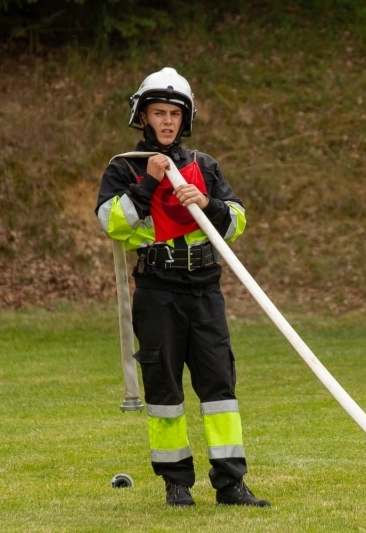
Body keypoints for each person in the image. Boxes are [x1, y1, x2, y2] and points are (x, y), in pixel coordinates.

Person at [95, 67, 269, 508]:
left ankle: (231, 484)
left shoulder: (204, 166)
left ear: (184, 118)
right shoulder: (124, 167)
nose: (168, 121)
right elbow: (113, 222)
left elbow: (237, 220)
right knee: (165, 390)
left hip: (205, 290)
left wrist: (207, 203)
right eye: (159, 113)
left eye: (174, 113)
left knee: (219, 387)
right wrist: (149, 182)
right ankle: (176, 483)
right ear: (143, 116)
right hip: (158, 291)